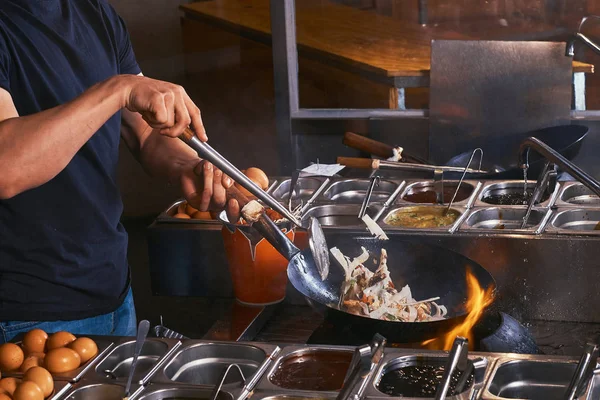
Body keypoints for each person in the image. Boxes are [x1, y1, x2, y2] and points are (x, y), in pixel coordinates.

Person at [0, 0, 238, 342]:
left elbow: (142, 133)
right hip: (27, 312)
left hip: (113, 291)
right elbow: (7, 167)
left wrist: (190, 166)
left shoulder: (94, 12)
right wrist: (118, 89)